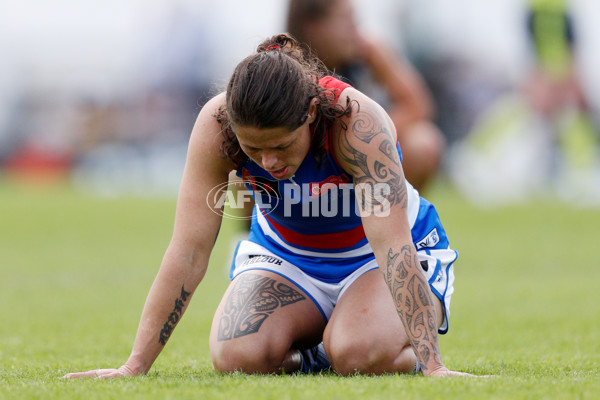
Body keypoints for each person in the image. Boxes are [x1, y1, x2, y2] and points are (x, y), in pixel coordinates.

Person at [63, 33, 478, 378]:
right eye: (253, 149)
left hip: (374, 258)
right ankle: (318, 354)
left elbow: (392, 246)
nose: (270, 162)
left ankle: (363, 345)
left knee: (357, 354)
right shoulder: (216, 126)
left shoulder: (358, 125)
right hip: (288, 258)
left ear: (311, 113)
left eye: (281, 145)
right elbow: (188, 252)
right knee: (236, 358)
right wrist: (133, 367)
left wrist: (434, 366)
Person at [286, 0, 445, 192]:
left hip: (359, 157)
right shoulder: (284, 65)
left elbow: (417, 105)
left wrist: (366, 137)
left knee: (422, 141)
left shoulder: (365, 51)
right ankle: (263, 220)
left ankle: (401, 216)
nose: (355, 29)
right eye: (345, 20)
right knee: (244, 156)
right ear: (313, 26)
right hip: (303, 167)